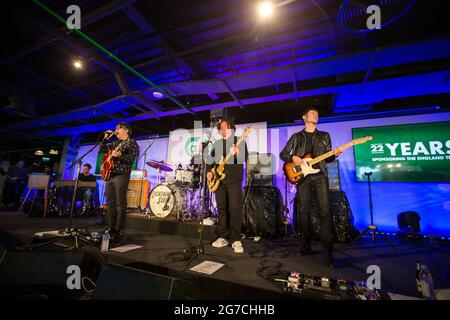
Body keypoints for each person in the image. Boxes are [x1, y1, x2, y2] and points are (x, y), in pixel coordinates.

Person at [280, 107, 342, 268]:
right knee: (303, 212)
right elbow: (283, 154)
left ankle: (328, 252)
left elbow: (327, 159)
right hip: (303, 178)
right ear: (304, 117)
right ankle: (305, 244)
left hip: (320, 175)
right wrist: (293, 157)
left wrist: (334, 154)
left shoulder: (324, 136)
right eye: (312, 113)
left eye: (317, 113)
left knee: (325, 211)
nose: (316, 115)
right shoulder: (296, 137)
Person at [206, 118, 248, 254]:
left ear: (231, 128)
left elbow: (245, 158)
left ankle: (236, 239)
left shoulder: (239, 141)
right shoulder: (217, 144)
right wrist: (209, 173)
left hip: (234, 181)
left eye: (226, 126)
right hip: (219, 182)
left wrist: (237, 154)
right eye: (221, 127)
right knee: (222, 209)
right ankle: (223, 236)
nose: (223, 129)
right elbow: (210, 161)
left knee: (235, 209)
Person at [100, 122, 138, 243]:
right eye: (116, 129)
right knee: (110, 202)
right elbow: (102, 149)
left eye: (118, 128)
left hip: (121, 175)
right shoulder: (116, 143)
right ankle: (111, 228)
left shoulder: (131, 143)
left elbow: (130, 160)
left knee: (120, 202)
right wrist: (105, 139)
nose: (116, 131)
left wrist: (120, 155)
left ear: (126, 130)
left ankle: (118, 230)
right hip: (110, 175)